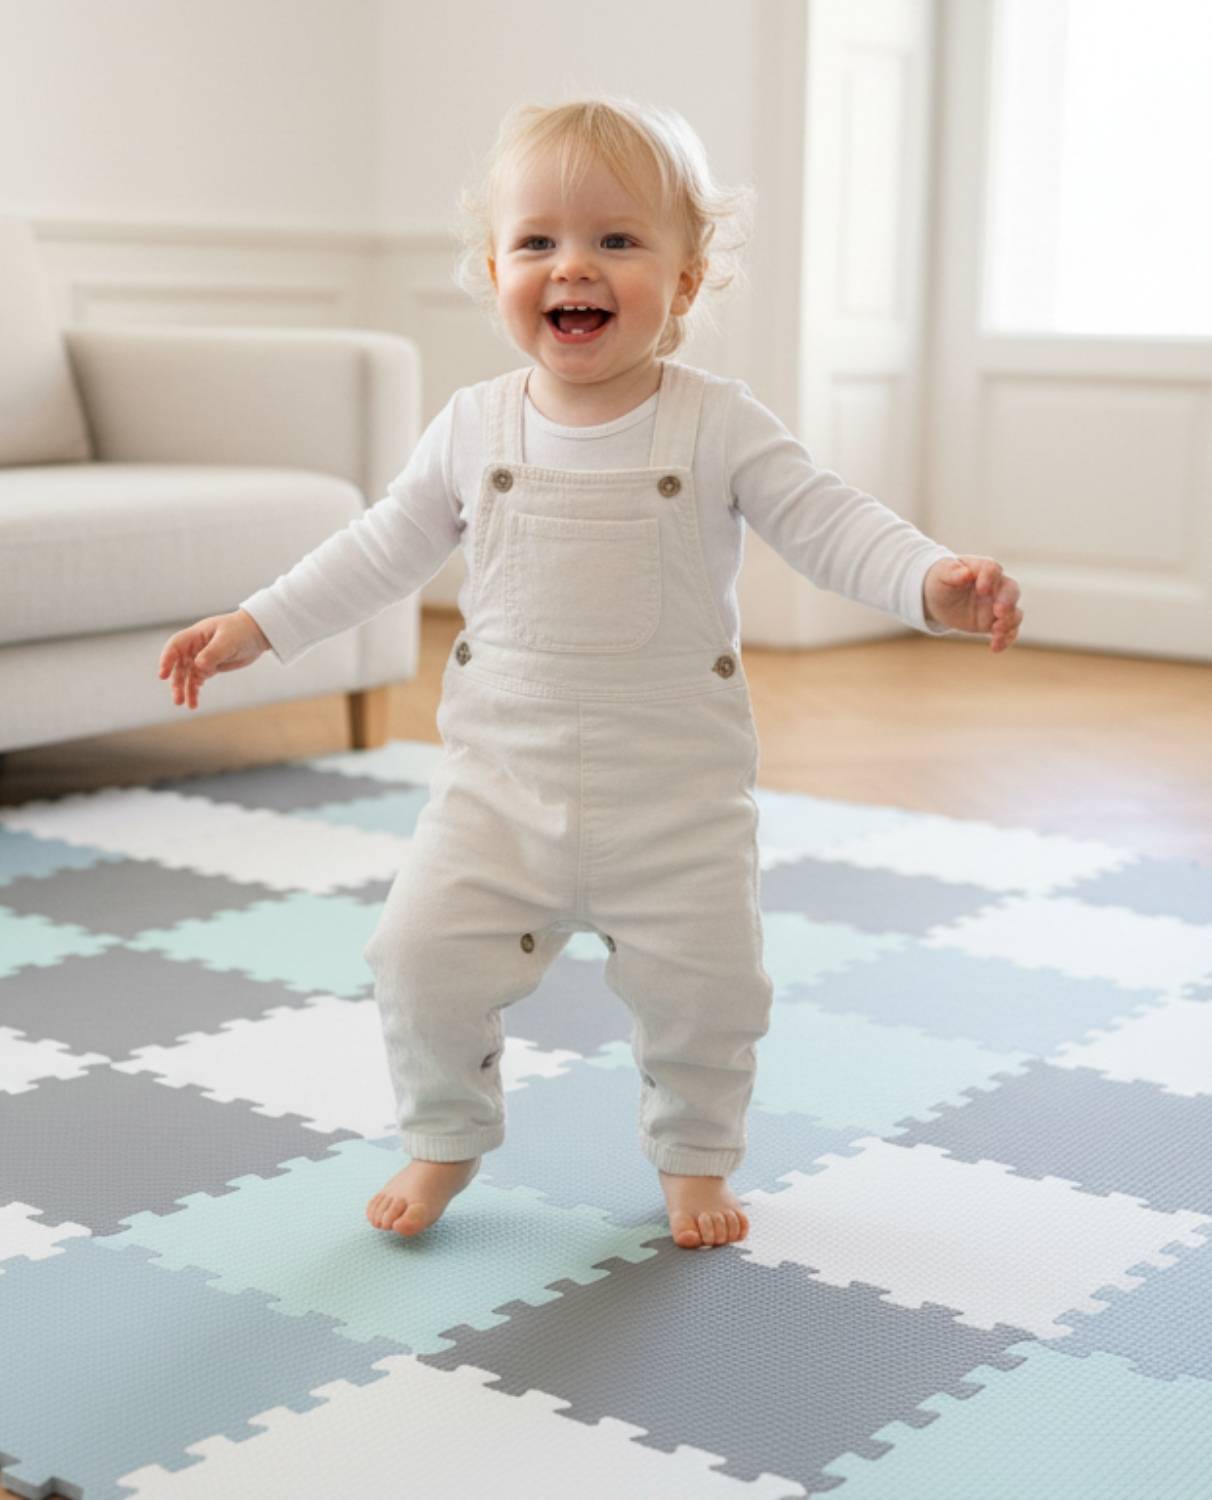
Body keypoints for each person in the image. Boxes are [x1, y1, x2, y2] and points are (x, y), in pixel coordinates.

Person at [157, 96, 1024, 1251]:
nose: (576, 267)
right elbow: (378, 549)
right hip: (495, 795)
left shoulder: (718, 425)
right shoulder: (473, 426)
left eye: (618, 241)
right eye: (539, 243)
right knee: (414, 959)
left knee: (710, 994)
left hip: (676, 800)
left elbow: (830, 524)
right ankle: (446, 1132)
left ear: (689, 275)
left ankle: (695, 1159)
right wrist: (257, 624)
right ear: (494, 267)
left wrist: (929, 584)